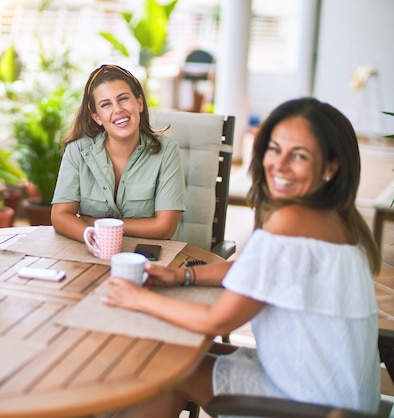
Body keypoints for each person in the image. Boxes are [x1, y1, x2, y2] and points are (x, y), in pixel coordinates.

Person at [102, 97, 381, 416]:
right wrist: (182, 275)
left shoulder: (292, 221)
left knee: (163, 366)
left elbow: (218, 319)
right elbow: (255, 269)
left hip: (307, 405)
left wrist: (137, 298)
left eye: (299, 155)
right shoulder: (341, 219)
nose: (279, 164)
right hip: (336, 394)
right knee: (176, 353)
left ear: (331, 167)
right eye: (275, 149)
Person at [50, 64, 186, 242]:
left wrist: (96, 223)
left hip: (145, 259)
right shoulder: (77, 150)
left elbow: (165, 228)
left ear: (139, 103)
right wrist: (92, 236)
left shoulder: (167, 150)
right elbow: (60, 216)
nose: (117, 109)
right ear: (97, 117)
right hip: (91, 252)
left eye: (123, 99)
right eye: (105, 104)